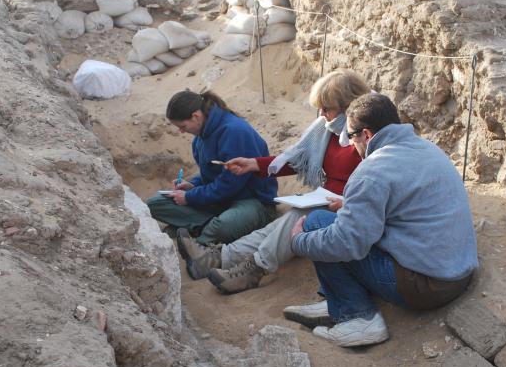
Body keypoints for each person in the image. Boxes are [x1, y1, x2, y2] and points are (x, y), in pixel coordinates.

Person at [286, 93, 478, 347]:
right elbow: (407, 204)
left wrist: (298, 242)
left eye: (350, 137)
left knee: (317, 223)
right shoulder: (428, 148)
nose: (351, 144)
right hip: (458, 272)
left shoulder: (372, 171)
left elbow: (346, 244)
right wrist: (353, 205)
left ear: (366, 135)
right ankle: (336, 300)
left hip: (427, 286)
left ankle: (358, 317)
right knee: (336, 220)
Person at [176, 70, 370, 292]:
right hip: (325, 198)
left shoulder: (363, 136)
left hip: (348, 205)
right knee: (275, 227)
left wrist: (346, 202)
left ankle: (254, 269)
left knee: (297, 218)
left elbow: (372, 181)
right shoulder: (328, 129)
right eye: (320, 108)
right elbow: (298, 160)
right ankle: (219, 257)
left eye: (328, 109)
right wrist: (254, 164)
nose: (322, 114)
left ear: (348, 105)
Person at [146, 89, 277, 246]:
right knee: (154, 204)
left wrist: (190, 197)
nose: (181, 132)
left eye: (182, 126)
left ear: (196, 116)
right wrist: (193, 185)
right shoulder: (200, 138)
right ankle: (203, 226)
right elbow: (211, 175)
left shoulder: (234, 132)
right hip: (221, 201)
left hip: (253, 203)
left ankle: (200, 236)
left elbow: (229, 185)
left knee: (224, 227)